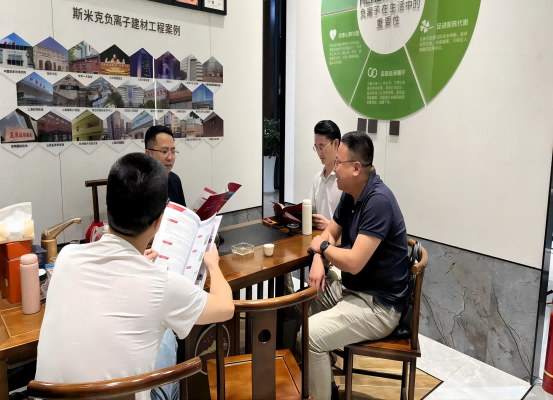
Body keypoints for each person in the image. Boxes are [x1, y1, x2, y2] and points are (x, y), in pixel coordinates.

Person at [35, 153, 234, 400]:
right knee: (167, 336)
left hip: (51, 395)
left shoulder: (66, 257)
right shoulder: (162, 284)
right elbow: (226, 308)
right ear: (159, 221)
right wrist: (213, 265)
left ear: (108, 206)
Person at [306, 131, 409, 400]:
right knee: (303, 301)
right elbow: (330, 232)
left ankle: (321, 389)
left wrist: (323, 249)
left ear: (355, 168)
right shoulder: (351, 193)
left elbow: (353, 263)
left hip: (379, 306)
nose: (333, 169)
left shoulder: (378, 201)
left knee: (310, 336)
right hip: (353, 291)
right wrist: (318, 257)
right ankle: (321, 384)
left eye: (338, 163)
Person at [310, 120, 343, 231]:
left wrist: (329, 225)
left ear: (336, 144)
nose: (319, 153)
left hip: (338, 239)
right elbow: (313, 211)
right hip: (318, 237)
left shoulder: (345, 180)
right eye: (316, 147)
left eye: (322, 147)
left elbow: (354, 225)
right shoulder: (317, 179)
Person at [145, 125, 186, 206]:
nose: (170, 158)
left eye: (173, 151)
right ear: (148, 154)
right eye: (164, 151)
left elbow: (183, 211)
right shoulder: (135, 186)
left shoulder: (175, 180)